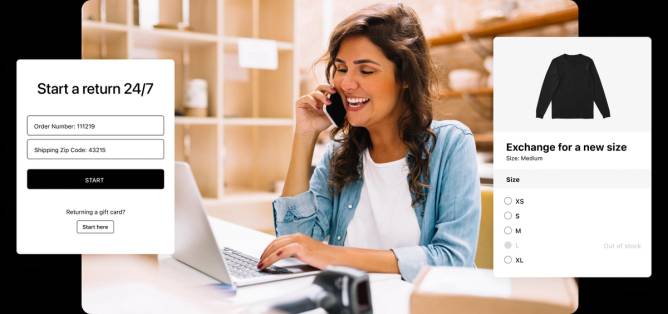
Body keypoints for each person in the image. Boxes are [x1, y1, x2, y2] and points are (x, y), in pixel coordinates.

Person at [258, 2, 481, 282]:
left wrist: (329, 254)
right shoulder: (339, 153)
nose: (347, 84)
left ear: (405, 78)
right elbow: (295, 242)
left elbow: (452, 258)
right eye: (341, 68)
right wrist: (304, 134)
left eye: (366, 71)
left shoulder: (451, 143)